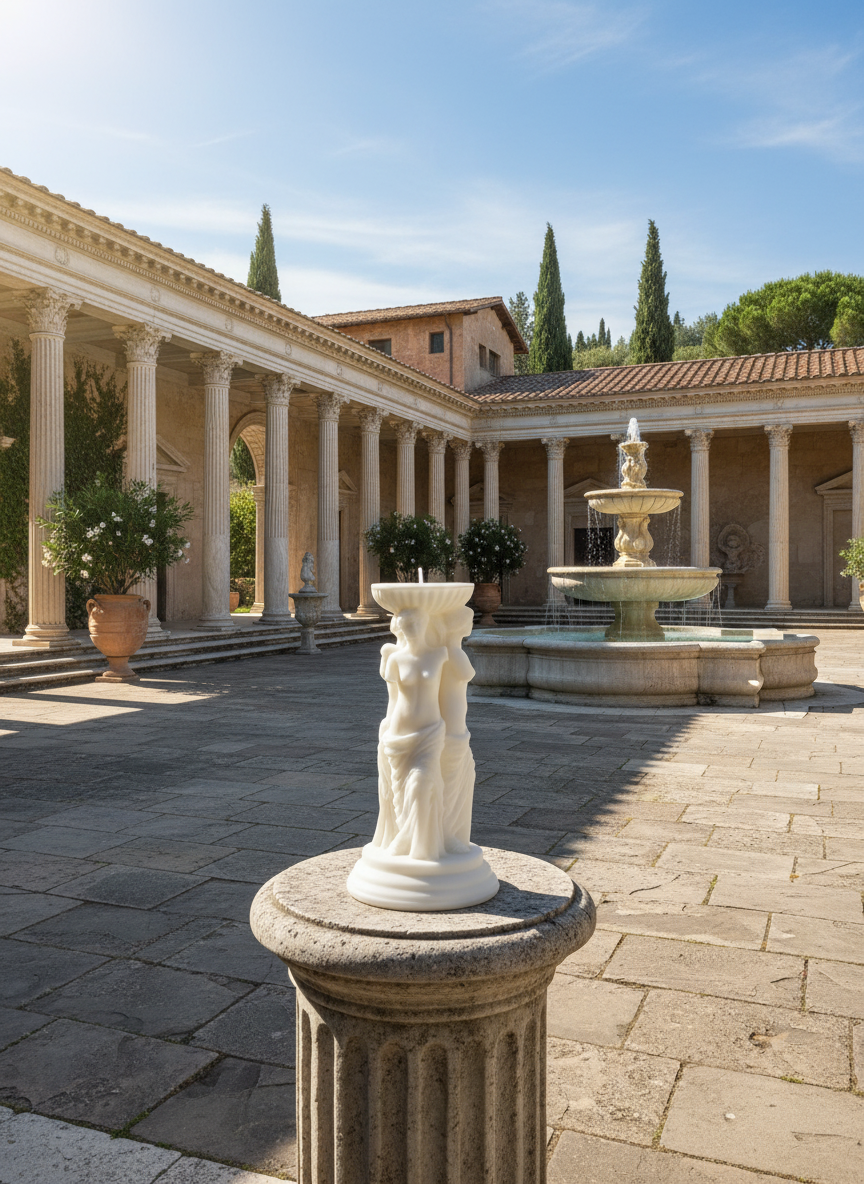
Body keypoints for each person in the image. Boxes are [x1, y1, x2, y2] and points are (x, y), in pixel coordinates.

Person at [377, 607, 448, 861]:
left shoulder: (440, 654)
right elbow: (393, 699)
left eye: (417, 625)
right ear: (402, 630)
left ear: (425, 624)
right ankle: (408, 841)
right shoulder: (395, 660)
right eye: (407, 627)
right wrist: (385, 730)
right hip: (401, 734)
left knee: (419, 785)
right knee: (400, 794)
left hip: (429, 733)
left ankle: (409, 842)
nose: (412, 631)